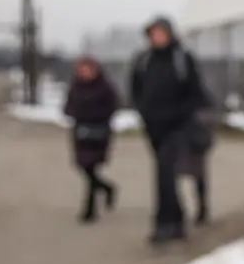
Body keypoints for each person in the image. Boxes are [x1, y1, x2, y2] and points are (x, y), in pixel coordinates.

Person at [129, 16, 213, 244]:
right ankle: (175, 222)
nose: (157, 38)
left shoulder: (182, 59)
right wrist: (143, 112)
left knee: (165, 174)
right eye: (153, 34)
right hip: (154, 127)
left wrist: (179, 114)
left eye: (161, 33)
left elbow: (196, 94)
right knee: (164, 174)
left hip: (178, 126)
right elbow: (135, 90)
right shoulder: (144, 60)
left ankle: (165, 224)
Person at [63, 56, 119, 224]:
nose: (84, 72)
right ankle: (107, 188)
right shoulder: (75, 87)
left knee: (92, 166)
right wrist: (74, 114)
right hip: (80, 132)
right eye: (81, 69)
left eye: (88, 69)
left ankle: (89, 209)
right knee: (84, 167)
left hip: (99, 132)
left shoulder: (104, 88)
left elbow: (113, 107)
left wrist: (95, 116)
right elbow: (67, 107)